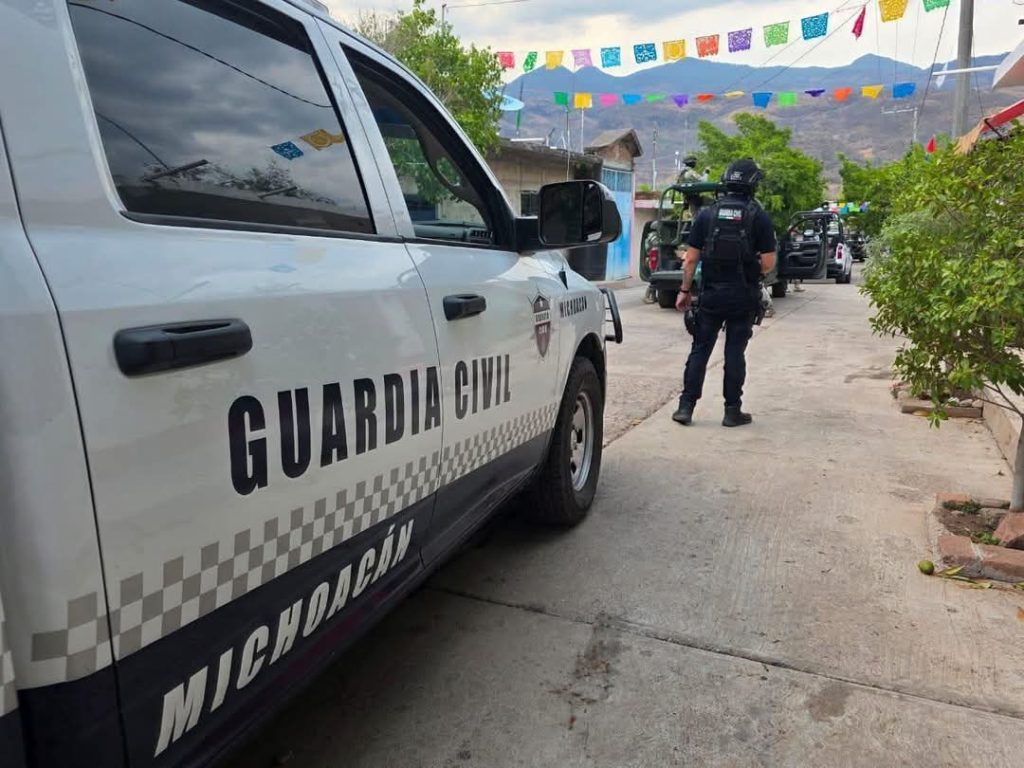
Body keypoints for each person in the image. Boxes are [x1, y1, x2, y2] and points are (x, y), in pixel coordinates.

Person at [673, 158, 777, 428]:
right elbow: (768, 263)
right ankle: (732, 411)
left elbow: (690, 260)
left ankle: (685, 407)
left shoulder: (706, 215)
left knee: (700, 349)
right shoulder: (758, 216)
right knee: (734, 352)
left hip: (710, 295)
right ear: (753, 185)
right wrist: (751, 269)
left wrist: (684, 290)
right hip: (743, 296)